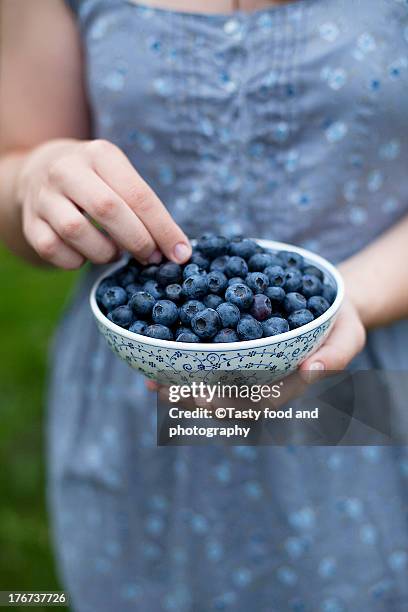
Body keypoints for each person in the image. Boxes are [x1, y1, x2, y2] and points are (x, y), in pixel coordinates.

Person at [1, 0, 408, 609]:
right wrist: (33, 177)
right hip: (142, 381)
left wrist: (353, 297)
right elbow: (14, 165)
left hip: (357, 371)